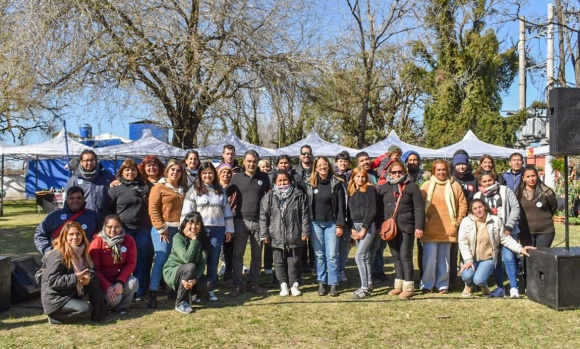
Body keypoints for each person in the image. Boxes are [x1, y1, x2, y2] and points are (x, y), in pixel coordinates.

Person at [180, 162, 234, 301]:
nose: (207, 176)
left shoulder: (220, 190)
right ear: (200, 175)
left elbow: (226, 211)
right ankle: (197, 290)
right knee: (198, 260)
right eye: (204, 173)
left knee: (213, 260)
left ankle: (210, 289)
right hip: (199, 230)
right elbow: (187, 212)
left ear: (214, 175)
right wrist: (185, 229)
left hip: (218, 229)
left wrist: (229, 229)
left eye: (210, 173)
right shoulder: (194, 191)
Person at [458, 199, 535, 297]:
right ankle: (468, 285)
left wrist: (520, 249)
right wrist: (468, 260)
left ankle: (483, 285)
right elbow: (463, 242)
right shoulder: (466, 222)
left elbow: (505, 239)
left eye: (480, 207)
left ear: (485, 207)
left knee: (478, 280)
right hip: (472, 259)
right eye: (475, 208)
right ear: (472, 211)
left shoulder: (495, 220)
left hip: (488, 258)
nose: (478, 210)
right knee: (466, 275)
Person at [40, 221, 111, 324]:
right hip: (56, 297)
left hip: (70, 291)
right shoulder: (57, 254)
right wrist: (76, 278)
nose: (75, 237)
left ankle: (98, 314)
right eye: (71, 234)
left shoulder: (82, 252)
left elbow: (90, 271)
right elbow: (53, 281)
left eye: (78, 234)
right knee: (85, 309)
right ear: (65, 236)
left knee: (93, 278)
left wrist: (87, 279)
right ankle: (56, 317)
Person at [104, 159, 152, 301]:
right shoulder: (115, 189)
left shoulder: (145, 186)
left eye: (133, 170)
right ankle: (124, 287)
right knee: (125, 260)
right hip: (124, 230)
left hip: (143, 228)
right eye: (127, 170)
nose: (130, 172)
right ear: (122, 172)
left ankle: (141, 289)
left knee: (142, 259)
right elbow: (107, 210)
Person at [420, 159, 468, 294]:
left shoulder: (455, 185)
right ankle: (427, 285)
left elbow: (463, 204)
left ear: (447, 171)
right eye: (438, 170)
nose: (441, 172)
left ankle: (442, 285)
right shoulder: (426, 185)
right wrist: (424, 219)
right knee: (429, 259)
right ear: (434, 171)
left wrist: (457, 221)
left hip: (448, 229)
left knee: (444, 260)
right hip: (430, 230)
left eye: (443, 169)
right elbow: (418, 205)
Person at [379, 161, 425, 300]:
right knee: (396, 256)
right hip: (390, 228)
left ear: (404, 172)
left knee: (405, 256)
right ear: (390, 173)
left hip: (407, 226)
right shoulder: (385, 187)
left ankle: (408, 286)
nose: (397, 174)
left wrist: (419, 227)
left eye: (399, 172)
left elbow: (419, 208)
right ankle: (398, 284)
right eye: (394, 172)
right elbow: (381, 208)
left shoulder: (412, 187)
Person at [260, 170, 310, 297]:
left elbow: (304, 215)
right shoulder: (269, 197)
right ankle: (283, 285)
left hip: (295, 234)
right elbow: (263, 217)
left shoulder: (299, 195)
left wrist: (305, 231)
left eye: (285, 180)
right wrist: (264, 233)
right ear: (275, 182)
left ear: (290, 181)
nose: (283, 183)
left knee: (294, 261)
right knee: (279, 261)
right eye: (280, 181)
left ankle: (294, 285)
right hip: (276, 234)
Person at [229, 150, 271, 296]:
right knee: (238, 254)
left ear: (257, 162)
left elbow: (270, 197)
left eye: (254, 161)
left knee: (257, 255)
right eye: (249, 161)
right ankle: (238, 284)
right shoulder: (237, 178)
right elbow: (224, 194)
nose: (251, 164)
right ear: (244, 162)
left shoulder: (264, 177)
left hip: (259, 222)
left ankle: (253, 283)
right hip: (241, 221)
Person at [473, 173, 521, 298]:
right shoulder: (478, 195)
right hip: (490, 233)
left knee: (509, 258)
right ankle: (500, 288)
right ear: (480, 183)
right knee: (496, 261)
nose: (488, 183)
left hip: (506, 231)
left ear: (495, 180)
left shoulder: (505, 190)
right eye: (484, 181)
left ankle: (514, 287)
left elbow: (515, 207)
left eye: (490, 180)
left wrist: (509, 225)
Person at [147, 159, 186, 308]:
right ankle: (152, 292)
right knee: (161, 259)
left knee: (175, 260)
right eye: (172, 170)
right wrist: (161, 228)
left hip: (179, 230)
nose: (175, 172)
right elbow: (153, 210)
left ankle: (172, 288)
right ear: (167, 171)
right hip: (162, 229)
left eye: (178, 170)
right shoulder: (159, 187)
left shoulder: (182, 189)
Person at [306, 156, 346, 297]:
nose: (322, 167)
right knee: (319, 255)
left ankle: (333, 283)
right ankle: (321, 282)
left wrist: (340, 225)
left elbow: (342, 207)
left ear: (329, 166)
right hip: (315, 223)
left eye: (325, 165)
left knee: (332, 255)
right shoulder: (310, 184)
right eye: (319, 165)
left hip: (332, 224)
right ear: (315, 168)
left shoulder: (337, 183)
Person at [163, 212, 212, 314]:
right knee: (190, 266)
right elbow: (186, 259)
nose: (194, 226)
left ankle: (189, 296)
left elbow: (202, 264)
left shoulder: (201, 239)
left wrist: (195, 280)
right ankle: (180, 303)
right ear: (185, 224)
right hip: (173, 271)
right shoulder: (178, 237)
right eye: (191, 223)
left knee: (207, 283)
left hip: (190, 273)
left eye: (197, 224)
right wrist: (193, 240)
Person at [89, 215, 138, 313]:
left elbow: (130, 264)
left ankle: (121, 309)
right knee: (116, 299)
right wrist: (108, 286)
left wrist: (120, 282)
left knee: (133, 282)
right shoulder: (97, 242)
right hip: (103, 282)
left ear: (121, 227)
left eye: (117, 227)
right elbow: (95, 269)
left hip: (119, 279)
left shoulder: (129, 240)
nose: (113, 230)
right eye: (109, 227)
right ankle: (106, 307)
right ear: (104, 227)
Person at [35, 186, 102, 256]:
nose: (75, 201)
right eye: (71, 198)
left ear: (83, 199)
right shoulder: (54, 216)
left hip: (86, 258)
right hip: (60, 258)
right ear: (66, 199)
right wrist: (49, 252)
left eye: (78, 198)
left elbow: (101, 236)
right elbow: (39, 234)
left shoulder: (93, 216)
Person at [347, 167, 377, 299]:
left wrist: (364, 229)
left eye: (363, 177)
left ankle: (364, 287)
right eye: (358, 176)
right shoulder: (351, 191)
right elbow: (349, 212)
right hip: (355, 225)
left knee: (359, 255)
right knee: (365, 256)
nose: (360, 179)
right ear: (353, 177)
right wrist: (352, 229)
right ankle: (369, 284)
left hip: (368, 226)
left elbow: (371, 210)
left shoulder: (369, 189)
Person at [402, 150, 431, 278]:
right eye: (410, 160)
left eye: (415, 160)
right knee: (406, 248)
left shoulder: (426, 175)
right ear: (406, 161)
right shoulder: (401, 174)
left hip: (422, 212)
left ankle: (423, 273)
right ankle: (406, 275)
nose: (413, 162)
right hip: (406, 214)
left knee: (422, 247)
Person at [515, 166, 558, 248]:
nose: (531, 179)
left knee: (541, 256)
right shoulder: (518, 193)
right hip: (526, 231)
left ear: (537, 176)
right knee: (529, 257)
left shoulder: (546, 192)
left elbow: (553, 206)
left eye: (533, 176)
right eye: (528, 176)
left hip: (545, 231)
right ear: (523, 178)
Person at [67, 149, 115, 215]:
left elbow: (116, 191)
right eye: (86, 160)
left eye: (92, 160)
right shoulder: (74, 179)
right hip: (82, 217)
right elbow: (68, 201)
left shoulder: (106, 175)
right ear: (81, 161)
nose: (89, 163)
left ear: (96, 160)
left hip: (104, 217)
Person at [216, 163, 236, 286]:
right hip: (216, 222)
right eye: (223, 172)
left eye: (228, 172)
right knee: (215, 250)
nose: (226, 174)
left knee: (229, 249)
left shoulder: (234, 188)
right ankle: (213, 275)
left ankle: (228, 273)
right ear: (219, 174)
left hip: (230, 221)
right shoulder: (215, 187)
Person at [335, 151, 352, 283]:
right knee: (333, 246)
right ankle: (333, 269)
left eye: (345, 161)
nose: (343, 163)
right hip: (335, 216)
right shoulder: (332, 176)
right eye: (340, 161)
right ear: (336, 163)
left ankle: (341, 269)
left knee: (344, 246)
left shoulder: (353, 176)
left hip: (349, 216)